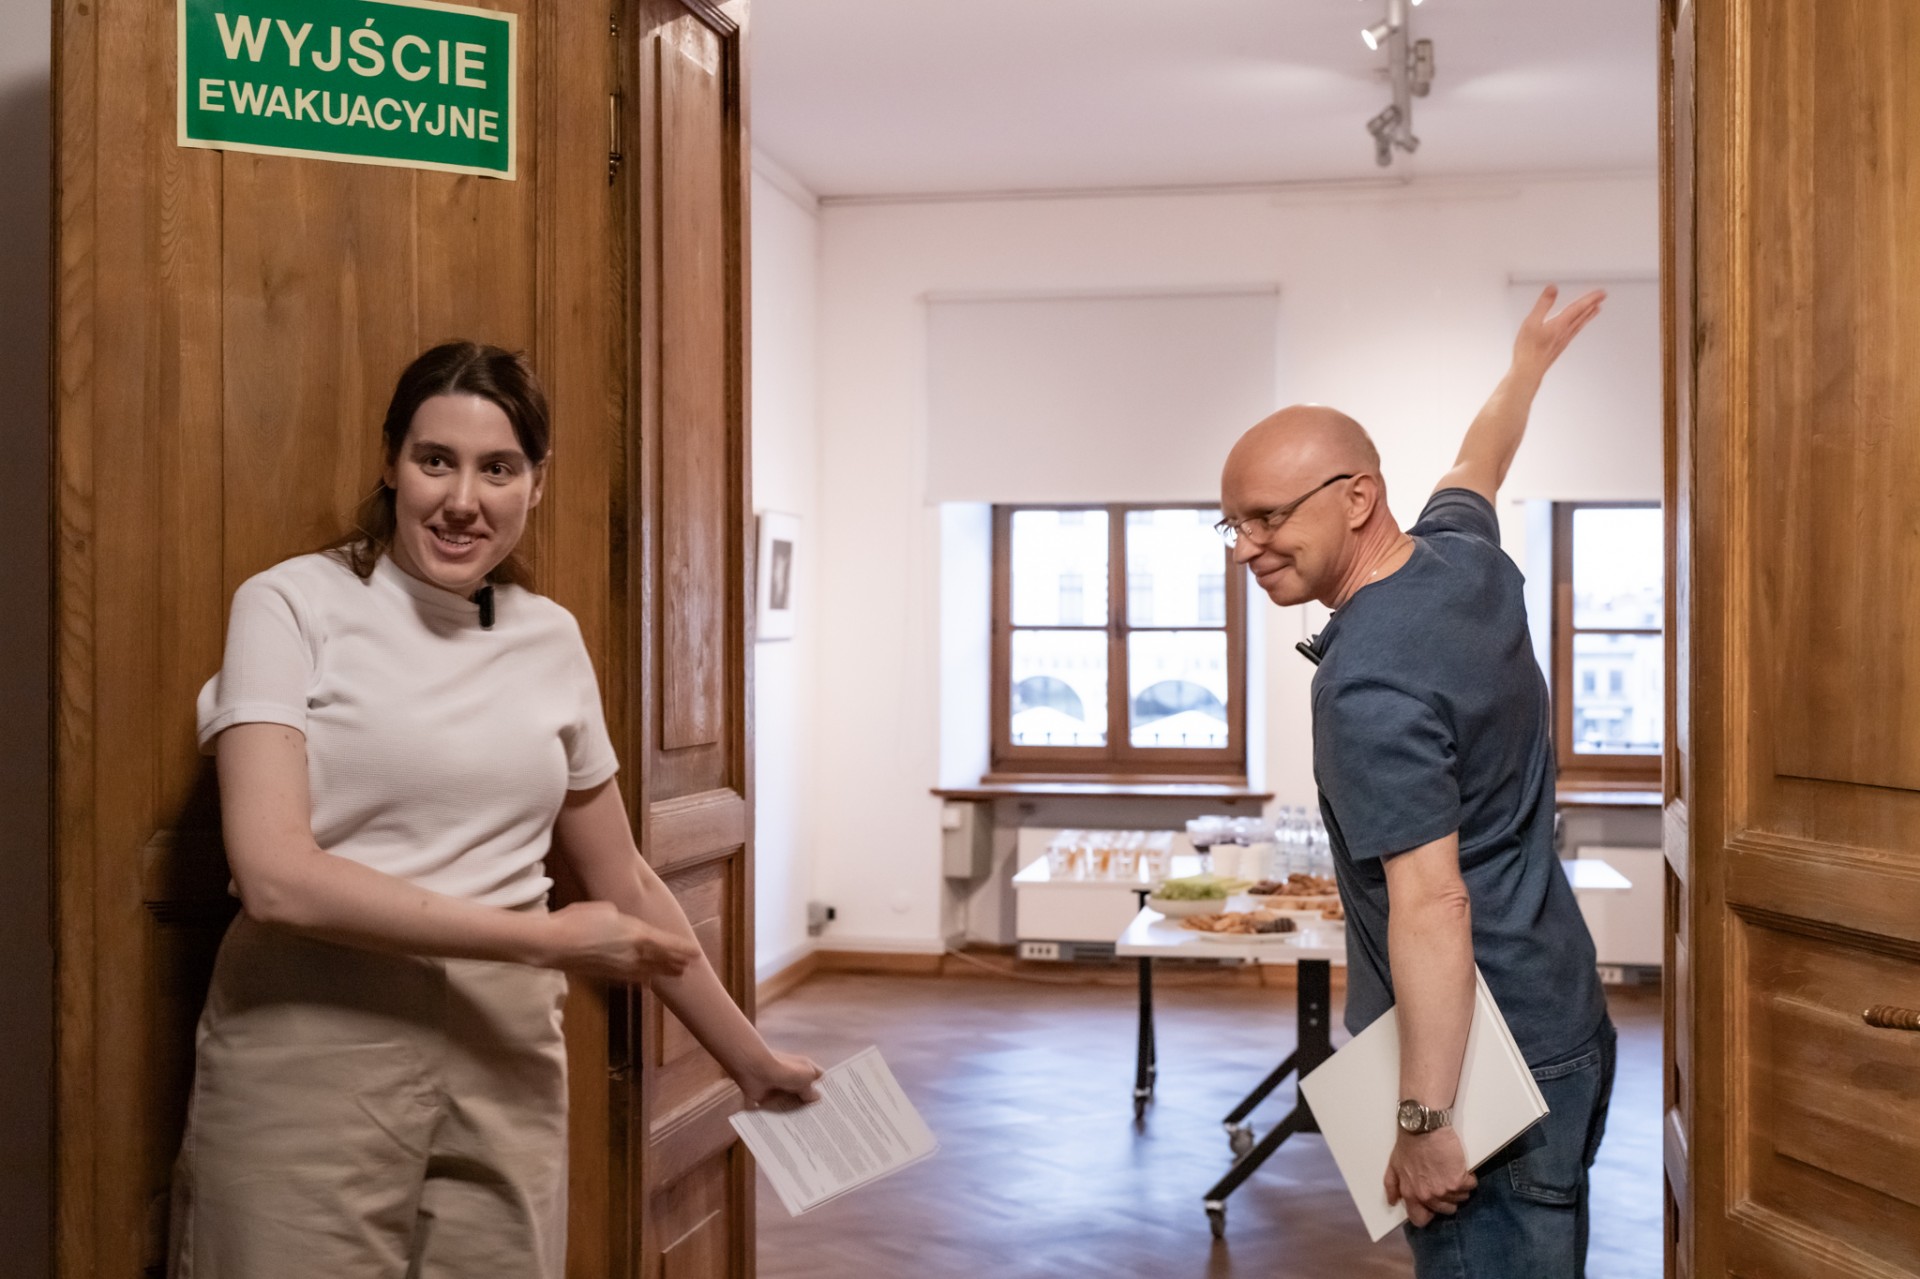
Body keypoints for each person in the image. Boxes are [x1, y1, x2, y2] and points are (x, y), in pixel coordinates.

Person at [170, 341, 821, 1278]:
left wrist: (747, 1058)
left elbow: (625, 879)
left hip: (506, 1053)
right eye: (435, 460)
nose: (463, 499)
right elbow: (276, 877)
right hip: (308, 1041)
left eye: (499, 468)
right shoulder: (289, 604)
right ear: (391, 463)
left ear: (536, 483)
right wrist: (544, 941)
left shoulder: (550, 636)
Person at [1217, 285, 1613, 1277]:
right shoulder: (1462, 561)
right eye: (1232, 524)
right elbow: (1479, 462)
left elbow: (1433, 902)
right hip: (1563, 1014)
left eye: (1268, 517)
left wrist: (1427, 1119)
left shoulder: (1367, 683)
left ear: (1357, 498)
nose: (1248, 546)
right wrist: (1526, 367)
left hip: (1488, 1065)